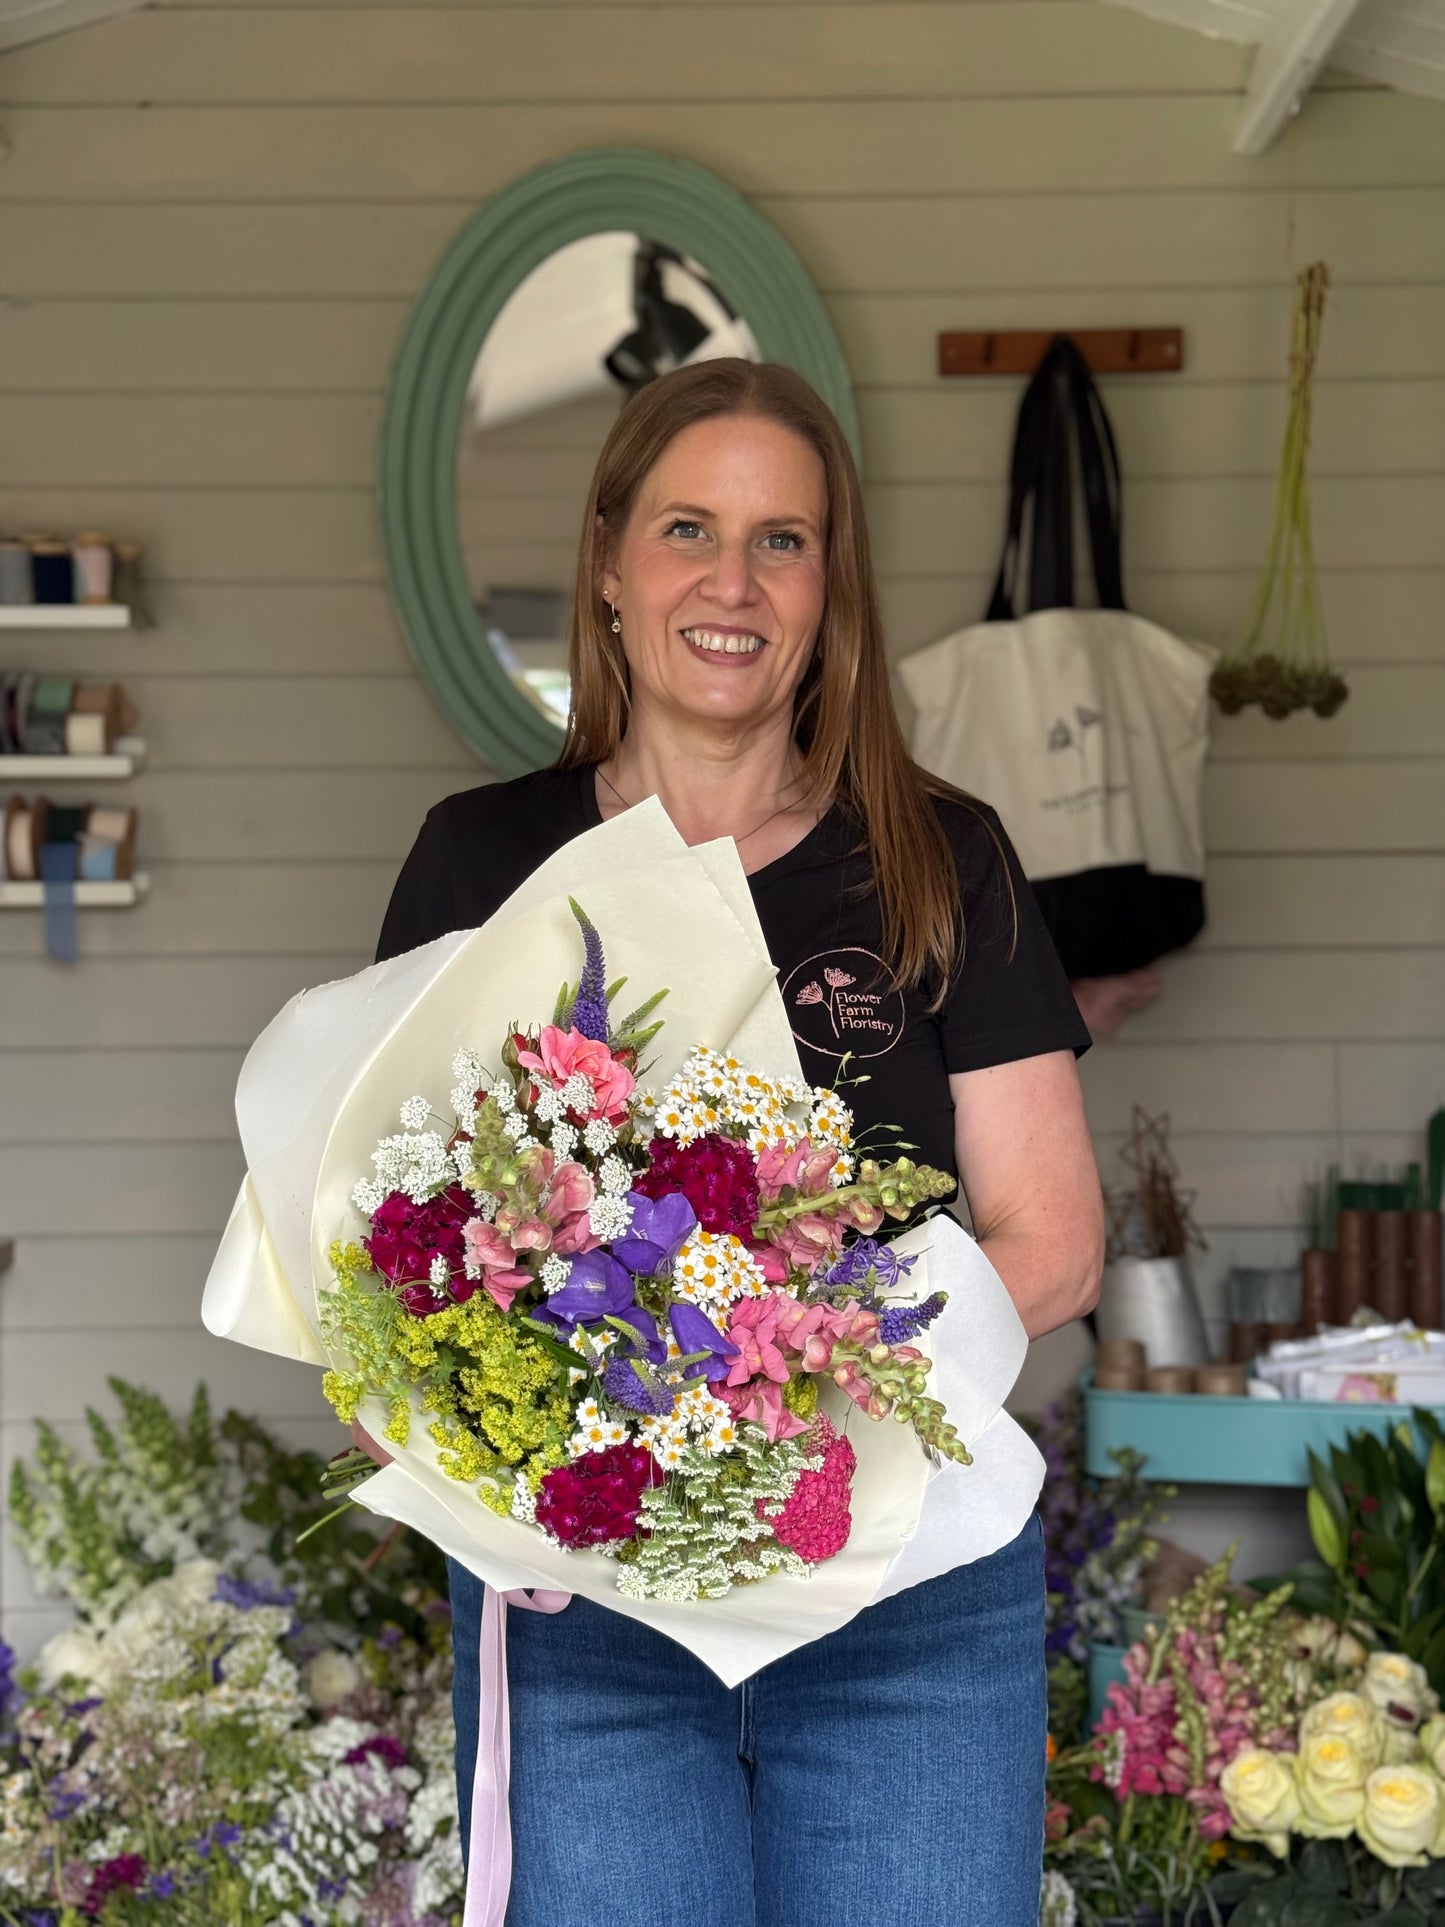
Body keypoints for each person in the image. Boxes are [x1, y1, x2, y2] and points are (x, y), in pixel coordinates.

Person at [366, 359, 1103, 1926]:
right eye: (689, 528)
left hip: (907, 1595)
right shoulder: (484, 860)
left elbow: (1051, 1232)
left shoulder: (934, 854)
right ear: (608, 564)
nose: (732, 580)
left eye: (784, 540)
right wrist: (431, 1416)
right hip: (592, 1612)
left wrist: (798, 1386)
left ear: (831, 589)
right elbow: (384, 1231)